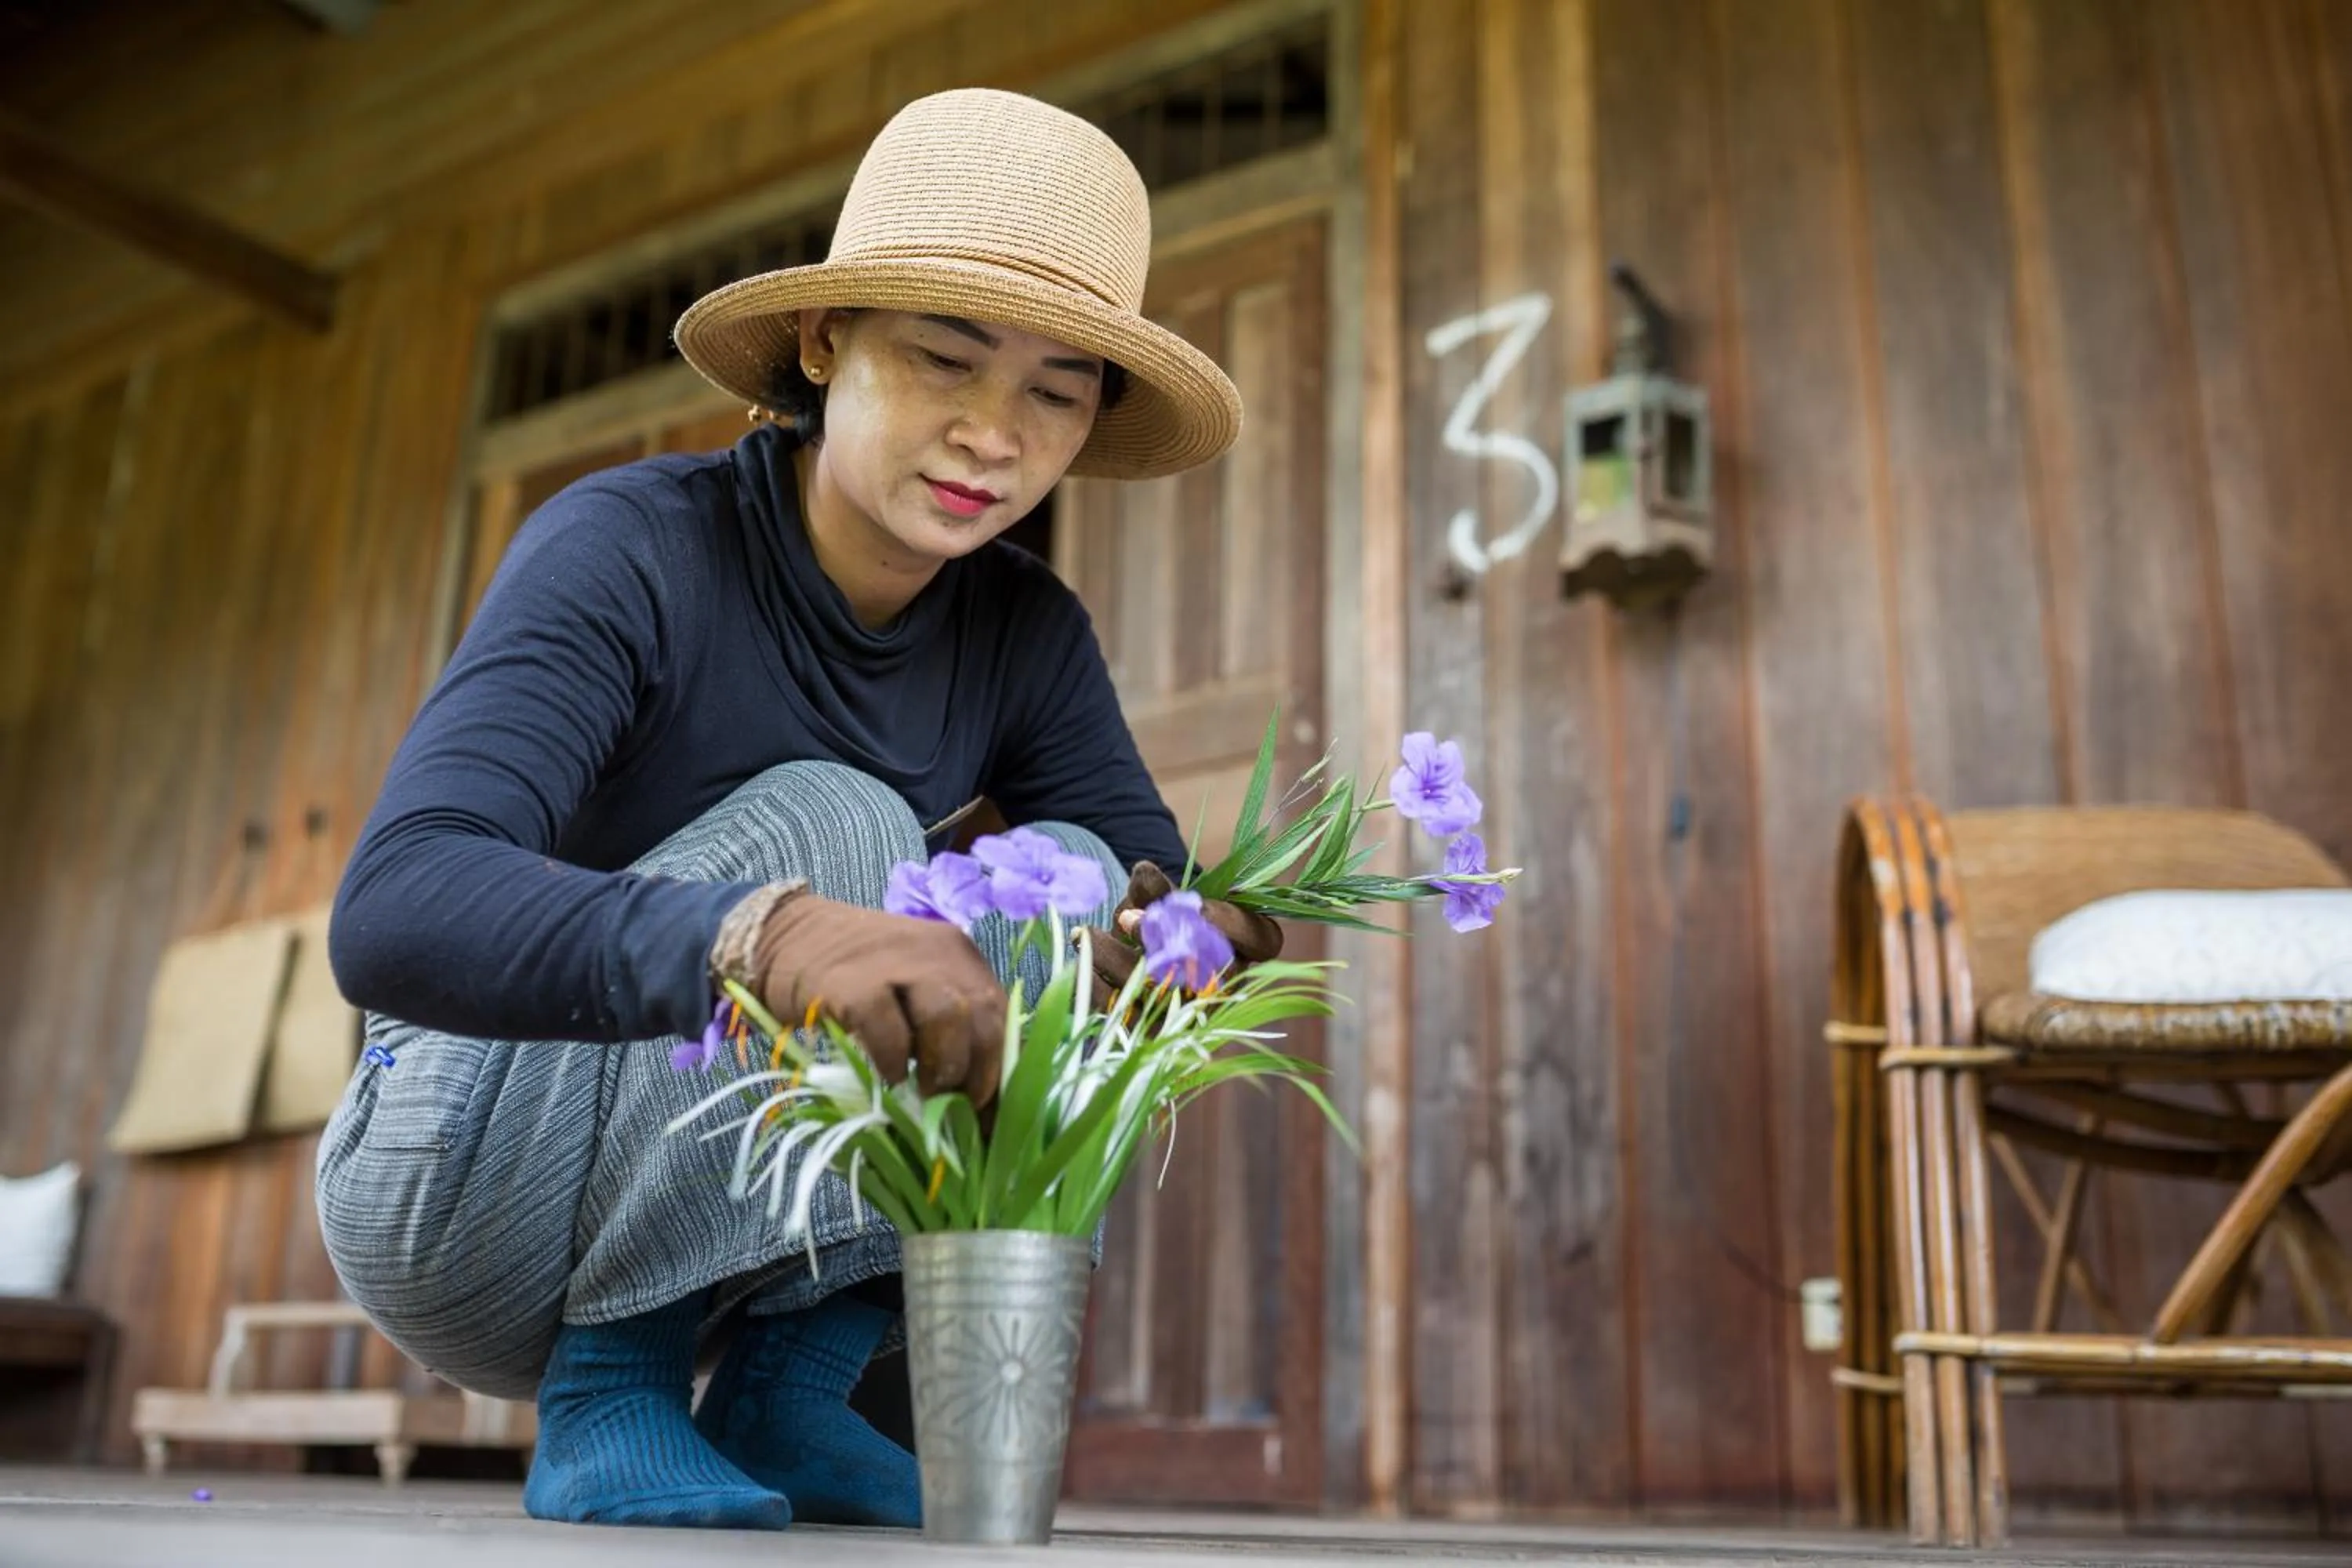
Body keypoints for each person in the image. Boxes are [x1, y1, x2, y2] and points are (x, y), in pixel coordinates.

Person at [316, 88, 1280, 1531]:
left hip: (752, 1246)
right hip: (460, 1186)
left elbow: (1137, 878)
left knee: (1072, 882)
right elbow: (394, 908)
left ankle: (793, 1384)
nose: (991, 434)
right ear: (825, 347)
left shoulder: (1025, 631)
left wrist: (1184, 942)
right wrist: (759, 930)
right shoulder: (629, 547)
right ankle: (611, 1391)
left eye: (1055, 392)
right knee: (835, 825)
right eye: (946, 358)